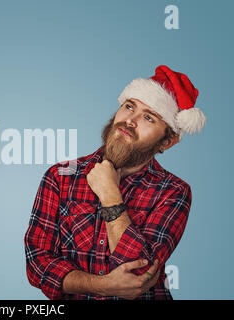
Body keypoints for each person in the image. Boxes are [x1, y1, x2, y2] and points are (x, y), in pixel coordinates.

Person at [24, 65, 206, 300]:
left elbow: (139, 273)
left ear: (167, 142)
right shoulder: (60, 177)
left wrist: (110, 194)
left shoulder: (173, 192)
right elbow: (37, 263)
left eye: (148, 117)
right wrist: (101, 285)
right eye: (129, 106)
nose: (130, 120)